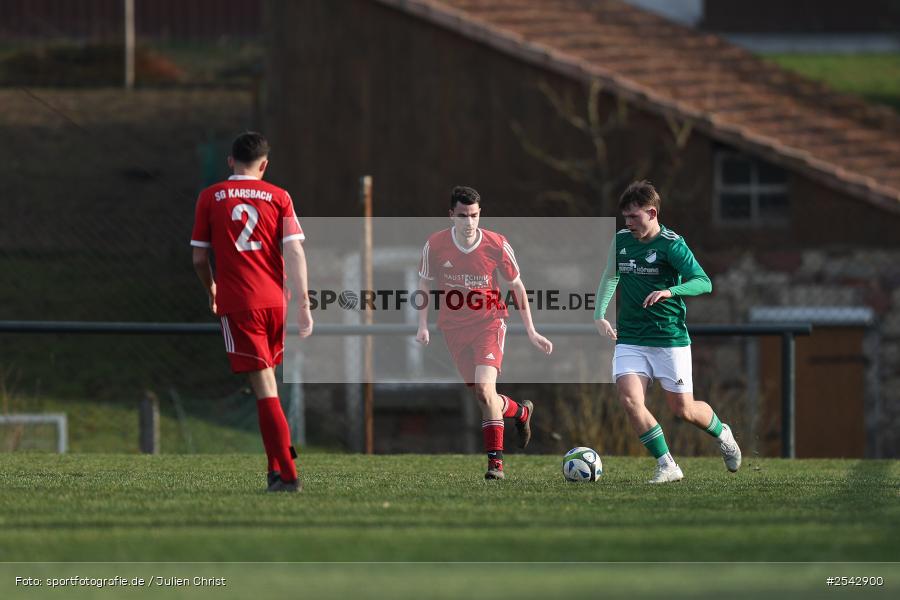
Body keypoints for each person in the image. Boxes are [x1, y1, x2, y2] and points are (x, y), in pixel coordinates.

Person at [593, 180, 741, 483]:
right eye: (625, 217)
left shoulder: (672, 244)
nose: (628, 223)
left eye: (634, 217)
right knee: (630, 400)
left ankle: (722, 432)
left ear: (652, 212)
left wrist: (670, 292)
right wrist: (599, 314)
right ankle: (667, 464)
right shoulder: (622, 240)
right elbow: (611, 276)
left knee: (682, 409)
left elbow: (704, 281)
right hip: (631, 337)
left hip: (668, 337)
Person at [190, 131, 313, 493]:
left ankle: (288, 475)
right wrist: (304, 303)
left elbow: (199, 257)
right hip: (276, 300)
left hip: (241, 303)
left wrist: (210, 288)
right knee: (269, 382)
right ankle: (276, 469)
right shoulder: (279, 196)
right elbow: (295, 253)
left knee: (263, 389)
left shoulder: (211, 197)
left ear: (230, 161)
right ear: (264, 165)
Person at [416, 186, 553, 480]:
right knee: (484, 395)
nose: (469, 222)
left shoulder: (497, 244)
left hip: (490, 323)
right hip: (454, 328)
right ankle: (520, 412)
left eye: (474, 215)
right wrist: (422, 325)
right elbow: (424, 285)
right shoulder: (435, 245)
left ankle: (496, 466)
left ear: (480, 214)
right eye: (463, 216)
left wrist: (531, 331)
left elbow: (517, 286)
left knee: (484, 389)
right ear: (451, 215)